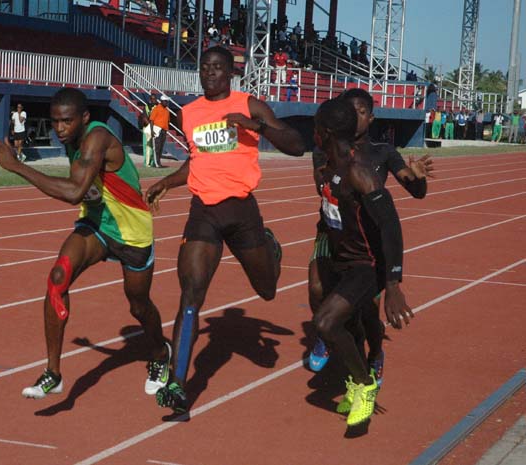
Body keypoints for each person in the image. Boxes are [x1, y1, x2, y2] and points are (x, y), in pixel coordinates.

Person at [144, 46, 305, 413]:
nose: (210, 73)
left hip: (242, 211)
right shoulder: (189, 113)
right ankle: (178, 383)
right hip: (204, 213)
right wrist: (167, 181)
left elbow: (297, 145)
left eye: (217, 68)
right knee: (191, 295)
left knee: (266, 290)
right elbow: (198, 161)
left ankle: (270, 247)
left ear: (230, 73)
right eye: (205, 67)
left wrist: (257, 126)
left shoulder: (251, 104)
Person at [0, 88, 171, 400]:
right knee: (58, 277)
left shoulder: (96, 137)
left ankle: (159, 353)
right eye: (54, 122)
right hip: (97, 225)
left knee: (138, 304)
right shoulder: (72, 141)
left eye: (66, 122)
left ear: (84, 118)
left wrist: (17, 166)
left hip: (132, 233)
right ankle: (53, 373)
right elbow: (84, 191)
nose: (59, 128)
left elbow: (74, 191)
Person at [308, 88, 433, 383]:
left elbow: (413, 193)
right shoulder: (326, 152)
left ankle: (374, 352)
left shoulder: (381, 153)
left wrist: (418, 176)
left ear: (370, 117)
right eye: (349, 112)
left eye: (360, 112)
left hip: (365, 243)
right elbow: (323, 185)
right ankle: (326, 337)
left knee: (365, 310)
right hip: (330, 232)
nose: (354, 118)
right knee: (316, 289)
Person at [149, 95, 170, 168]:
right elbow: (151, 120)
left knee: (161, 147)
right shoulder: (156, 109)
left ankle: (158, 162)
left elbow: (168, 121)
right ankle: (156, 163)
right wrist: (152, 131)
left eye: (167, 101)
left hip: (164, 130)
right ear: (162, 101)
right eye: (165, 101)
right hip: (157, 130)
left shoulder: (167, 110)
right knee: (156, 147)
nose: (167, 103)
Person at [141, 94, 158, 167]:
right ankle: (147, 163)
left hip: (156, 128)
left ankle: (153, 162)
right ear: (150, 100)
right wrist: (150, 127)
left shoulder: (158, 107)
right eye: (152, 99)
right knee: (148, 146)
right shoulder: (146, 107)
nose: (154, 100)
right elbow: (144, 118)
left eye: (155, 99)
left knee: (155, 146)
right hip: (147, 128)